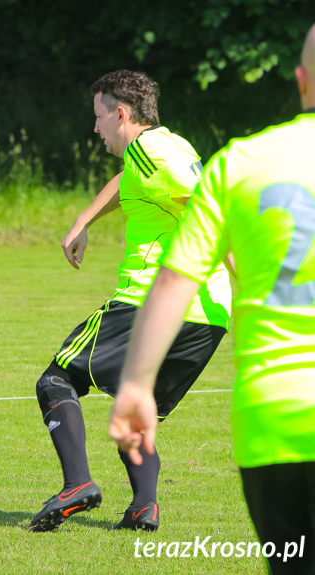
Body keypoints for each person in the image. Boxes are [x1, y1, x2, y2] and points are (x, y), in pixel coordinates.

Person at [110, 25, 315, 574]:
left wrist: (135, 385)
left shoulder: (240, 163)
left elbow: (175, 281)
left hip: (276, 417)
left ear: (299, 80)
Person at [28, 70, 233, 532]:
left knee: (56, 380)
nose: (95, 128)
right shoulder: (166, 147)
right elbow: (131, 182)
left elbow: (207, 206)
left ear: (120, 114)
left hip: (154, 301)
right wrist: (83, 220)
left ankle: (77, 484)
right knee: (132, 404)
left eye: (99, 117)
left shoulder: (153, 151)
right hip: (209, 315)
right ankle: (143, 507)